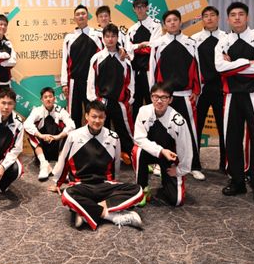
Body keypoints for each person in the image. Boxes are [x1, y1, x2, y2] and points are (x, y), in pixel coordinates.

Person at [214, 2, 254, 214]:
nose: (237, 18)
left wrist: (233, 65)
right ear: (228, 19)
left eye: (241, 14)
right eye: (233, 14)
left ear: (247, 17)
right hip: (231, 96)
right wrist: (249, 63)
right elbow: (219, 67)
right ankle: (237, 181)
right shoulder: (223, 41)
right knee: (231, 140)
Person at [51, 100, 144, 230]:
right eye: (94, 116)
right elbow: (63, 160)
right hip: (81, 185)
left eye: (101, 117)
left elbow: (116, 164)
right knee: (67, 194)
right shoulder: (73, 136)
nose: (97, 120)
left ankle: (86, 211)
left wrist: (114, 187)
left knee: (138, 190)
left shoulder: (113, 137)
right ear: (86, 116)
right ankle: (111, 216)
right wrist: (58, 183)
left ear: (105, 117)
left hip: (104, 185)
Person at [149, 9, 204, 181]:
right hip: (163, 97)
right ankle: (160, 163)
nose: (172, 23)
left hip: (185, 94)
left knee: (189, 131)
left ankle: (194, 165)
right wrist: (154, 94)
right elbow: (152, 69)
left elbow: (197, 68)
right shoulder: (158, 44)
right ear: (164, 25)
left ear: (180, 22)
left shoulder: (191, 43)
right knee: (161, 130)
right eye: (168, 21)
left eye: (175, 20)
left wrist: (196, 90)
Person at [132, 83, 193, 207]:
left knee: (176, 201)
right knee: (137, 151)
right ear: (151, 97)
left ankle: (165, 177)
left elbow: (186, 148)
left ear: (170, 100)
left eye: (164, 97)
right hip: (152, 152)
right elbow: (139, 138)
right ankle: (142, 188)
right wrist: (160, 151)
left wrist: (180, 170)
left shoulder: (178, 121)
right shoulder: (143, 111)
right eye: (156, 97)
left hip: (169, 157)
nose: (159, 101)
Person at [86, 23, 135, 164]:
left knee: (125, 132)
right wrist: (94, 101)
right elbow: (91, 81)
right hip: (102, 102)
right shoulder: (97, 58)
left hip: (120, 103)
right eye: (107, 36)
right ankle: (101, 159)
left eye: (113, 36)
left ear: (117, 38)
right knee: (101, 131)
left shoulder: (124, 59)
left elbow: (130, 81)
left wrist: (129, 100)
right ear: (103, 38)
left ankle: (133, 158)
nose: (110, 39)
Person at [191, 6, 227, 172]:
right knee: (196, 127)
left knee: (224, 127)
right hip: (201, 90)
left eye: (213, 15)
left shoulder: (227, 38)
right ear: (202, 19)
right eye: (206, 16)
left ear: (218, 17)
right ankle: (195, 164)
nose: (209, 18)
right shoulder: (194, 39)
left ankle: (225, 164)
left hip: (222, 89)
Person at [61, 4, 102, 127]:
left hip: (92, 82)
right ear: (74, 18)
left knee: (94, 113)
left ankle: (94, 137)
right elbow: (65, 60)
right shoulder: (69, 38)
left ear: (87, 16)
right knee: (74, 114)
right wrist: (64, 83)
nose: (81, 16)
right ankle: (75, 137)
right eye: (78, 14)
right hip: (74, 82)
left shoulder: (97, 35)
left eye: (83, 13)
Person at [24, 87, 76, 181]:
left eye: (50, 96)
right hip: (42, 147)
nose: (48, 99)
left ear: (54, 98)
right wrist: (41, 135)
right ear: (42, 100)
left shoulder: (60, 110)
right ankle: (44, 164)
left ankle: (60, 165)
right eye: (45, 97)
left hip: (57, 147)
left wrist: (58, 137)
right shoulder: (37, 110)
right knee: (30, 131)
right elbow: (27, 124)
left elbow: (72, 125)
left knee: (69, 132)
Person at [126, 0, 162, 122]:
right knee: (135, 105)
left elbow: (153, 47)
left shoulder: (155, 26)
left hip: (150, 72)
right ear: (134, 9)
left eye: (142, 6)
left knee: (152, 104)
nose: (140, 9)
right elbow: (128, 50)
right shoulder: (132, 29)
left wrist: (136, 48)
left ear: (147, 8)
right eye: (137, 7)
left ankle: (153, 130)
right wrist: (140, 46)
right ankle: (137, 132)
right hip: (135, 73)